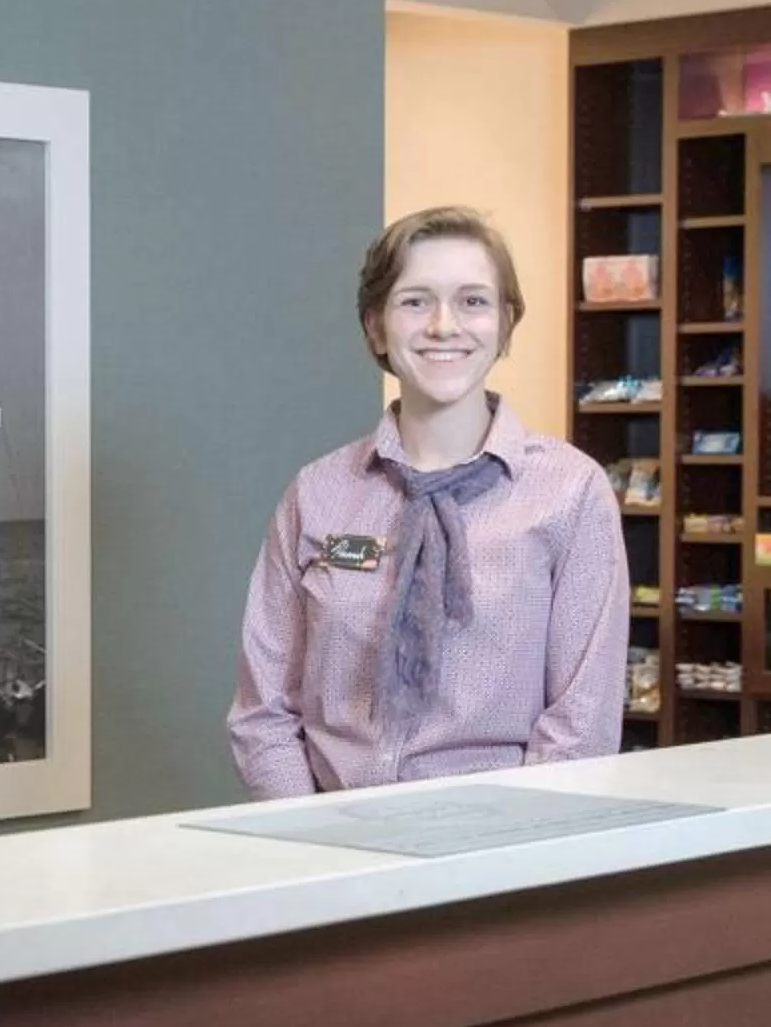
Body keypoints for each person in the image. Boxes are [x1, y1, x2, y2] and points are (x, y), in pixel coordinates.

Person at [228, 204, 629, 797]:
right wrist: (307, 838)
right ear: (374, 326)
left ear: (506, 324)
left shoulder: (570, 493)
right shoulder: (317, 495)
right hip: (329, 848)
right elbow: (264, 713)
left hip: (504, 851)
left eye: (473, 301)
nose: (445, 325)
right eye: (415, 301)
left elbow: (582, 723)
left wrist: (503, 854)